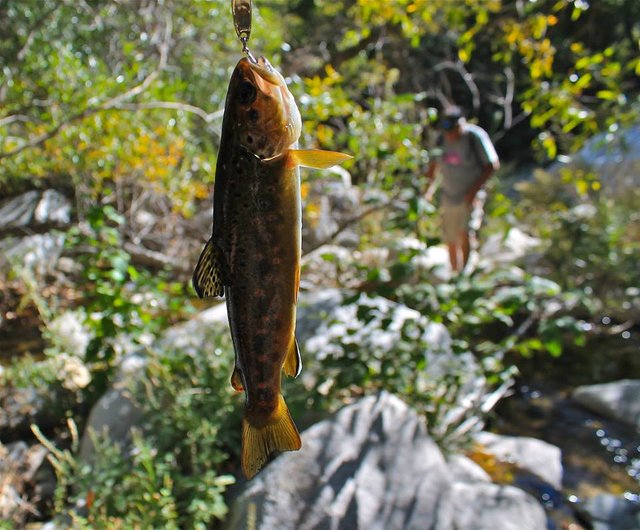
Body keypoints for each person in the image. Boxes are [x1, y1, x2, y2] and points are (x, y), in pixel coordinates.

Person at [424, 106, 500, 273]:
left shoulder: (474, 137)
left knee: (464, 233)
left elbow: (492, 165)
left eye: (453, 131)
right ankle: (454, 272)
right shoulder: (441, 139)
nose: (450, 136)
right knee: (450, 237)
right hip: (448, 196)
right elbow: (433, 166)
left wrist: (474, 191)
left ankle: (464, 273)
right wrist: (427, 191)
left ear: (461, 126)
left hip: (469, 196)